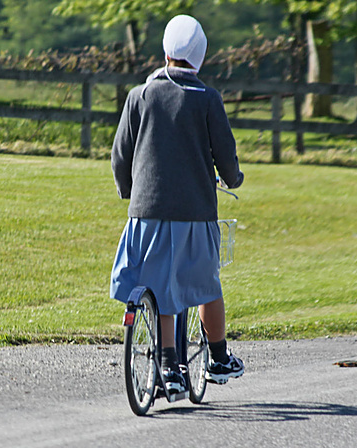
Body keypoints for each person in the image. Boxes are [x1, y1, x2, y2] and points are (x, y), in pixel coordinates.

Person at [109, 14, 245, 394]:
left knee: (158, 282)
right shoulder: (207, 99)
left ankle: (169, 366)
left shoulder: (140, 95)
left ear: (166, 50)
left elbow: (121, 155)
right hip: (195, 212)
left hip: (146, 212)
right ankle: (217, 357)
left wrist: (128, 191)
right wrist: (233, 180)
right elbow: (225, 156)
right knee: (204, 284)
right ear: (200, 55)